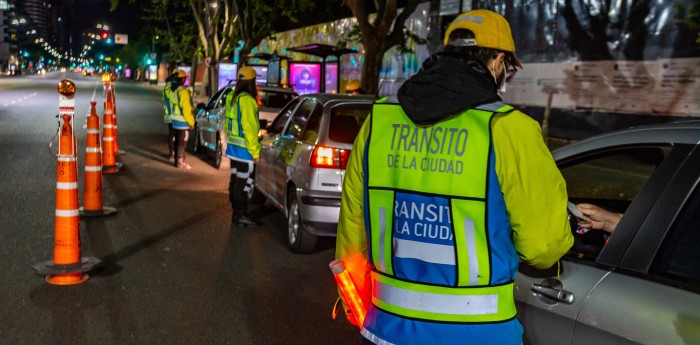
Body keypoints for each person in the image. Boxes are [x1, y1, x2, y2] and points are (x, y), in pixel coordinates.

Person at [335, 9, 574, 345]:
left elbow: (351, 236)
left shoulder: (379, 122)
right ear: (497, 62)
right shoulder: (510, 130)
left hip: (385, 330)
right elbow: (543, 247)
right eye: (507, 68)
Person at [225, 66, 262, 227]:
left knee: (235, 181)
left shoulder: (231, 97)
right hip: (245, 151)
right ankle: (241, 216)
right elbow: (250, 128)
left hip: (233, 148)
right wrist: (255, 152)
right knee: (243, 185)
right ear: (251, 82)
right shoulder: (247, 100)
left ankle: (236, 214)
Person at [167, 70, 194, 169]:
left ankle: (176, 160)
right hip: (182, 121)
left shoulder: (173, 90)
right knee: (182, 141)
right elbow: (186, 108)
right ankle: (180, 162)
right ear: (183, 79)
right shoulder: (183, 91)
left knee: (178, 140)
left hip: (175, 120)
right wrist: (191, 122)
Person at [163, 69, 179, 160]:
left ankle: (171, 153)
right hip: (178, 114)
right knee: (178, 135)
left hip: (168, 113)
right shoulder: (177, 87)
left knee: (171, 134)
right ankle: (177, 154)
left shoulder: (166, 86)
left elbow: (164, 99)